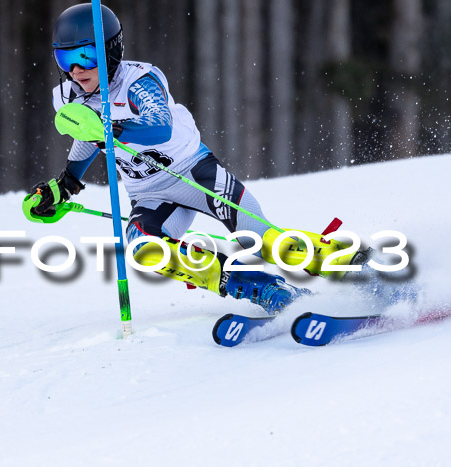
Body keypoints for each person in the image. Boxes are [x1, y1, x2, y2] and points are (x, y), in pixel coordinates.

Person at [24, 4, 366, 315]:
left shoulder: (139, 81)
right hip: (149, 194)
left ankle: (352, 263)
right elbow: (86, 136)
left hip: (195, 174)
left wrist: (109, 127)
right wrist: (66, 184)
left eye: (87, 56)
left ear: (110, 51)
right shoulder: (69, 96)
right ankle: (260, 288)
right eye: (65, 60)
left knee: (262, 242)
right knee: (145, 250)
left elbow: (158, 126)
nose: (77, 71)